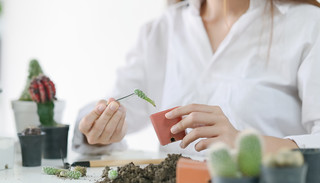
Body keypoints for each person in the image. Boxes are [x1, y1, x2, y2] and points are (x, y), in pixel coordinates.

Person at [72, 0, 320, 157]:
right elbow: (118, 106)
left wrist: (244, 142)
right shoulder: (163, 29)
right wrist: (96, 131)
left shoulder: (307, 25)